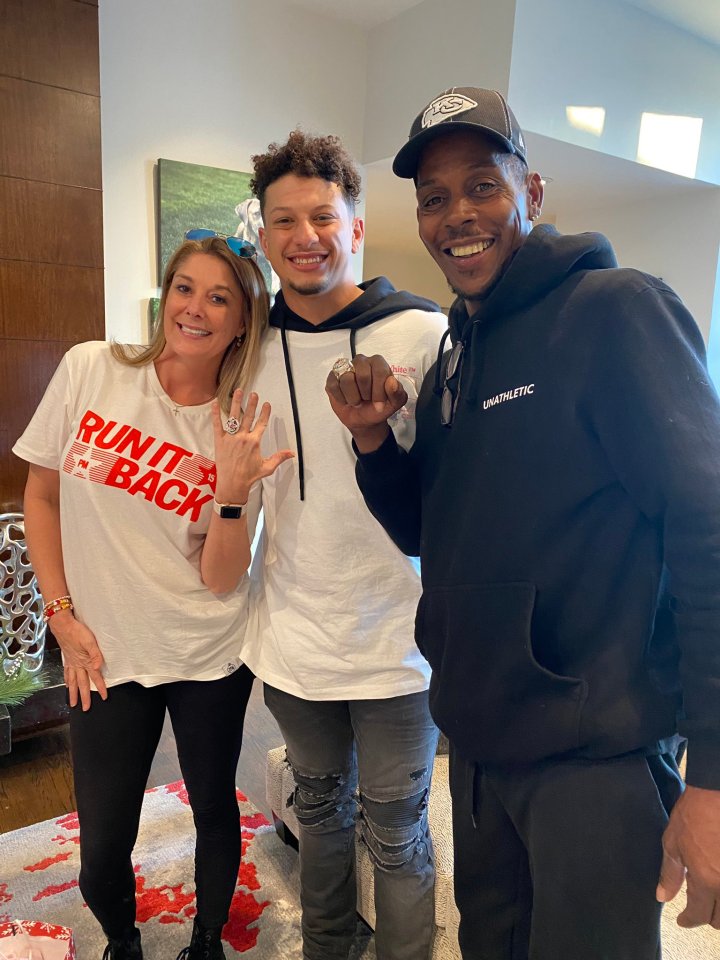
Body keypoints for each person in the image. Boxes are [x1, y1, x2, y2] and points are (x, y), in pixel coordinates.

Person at [326, 86, 720, 959]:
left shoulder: (615, 311)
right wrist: (372, 446)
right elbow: (432, 531)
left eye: (482, 186)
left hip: (595, 763)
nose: (457, 214)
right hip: (479, 750)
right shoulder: (456, 358)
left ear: (531, 194)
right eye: (434, 197)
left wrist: (714, 783)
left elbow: (709, 530)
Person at [13, 234, 293, 960]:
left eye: (219, 297)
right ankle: (122, 942)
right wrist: (61, 616)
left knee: (212, 808)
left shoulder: (240, 423)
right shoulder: (91, 371)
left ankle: (205, 942)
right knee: (102, 844)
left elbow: (221, 579)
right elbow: (41, 496)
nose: (194, 309)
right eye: (184, 288)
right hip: (103, 649)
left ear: (242, 322)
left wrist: (232, 496)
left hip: (207, 649)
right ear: (164, 295)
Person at [239, 130, 446, 960]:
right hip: (292, 638)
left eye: (323, 215)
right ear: (263, 236)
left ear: (354, 226)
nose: (305, 236)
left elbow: (455, 493)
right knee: (319, 818)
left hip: (399, 642)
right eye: (283, 219)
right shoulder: (247, 347)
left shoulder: (425, 334)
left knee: (397, 839)